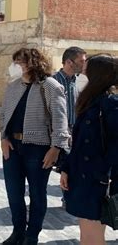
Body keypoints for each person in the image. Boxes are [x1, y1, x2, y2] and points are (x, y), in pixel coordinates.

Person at [0, 48, 69, 245]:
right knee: (14, 192)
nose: (17, 66)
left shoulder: (50, 86)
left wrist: (56, 148)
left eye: (20, 61)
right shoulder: (13, 86)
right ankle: (18, 232)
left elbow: (60, 119)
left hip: (38, 149)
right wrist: (3, 138)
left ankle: (32, 236)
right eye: (16, 62)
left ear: (33, 62)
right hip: (12, 146)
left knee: (37, 193)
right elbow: (4, 115)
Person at [60, 54, 118, 245]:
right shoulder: (91, 101)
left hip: (96, 181)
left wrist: (102, 173)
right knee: (87, 234)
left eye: (86, 70)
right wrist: (66, 169)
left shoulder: (111, 104)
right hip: (82, 176)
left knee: (92, 235)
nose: (82, 73)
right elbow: (77, 142)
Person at [52, 47, 86, 207]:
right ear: (68, 62)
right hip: (56, 134)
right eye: (81, 61)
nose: (84, 64)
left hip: (74, 133)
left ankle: (68, 199)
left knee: (71, 167)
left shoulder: (77, 82)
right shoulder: (52, 82)